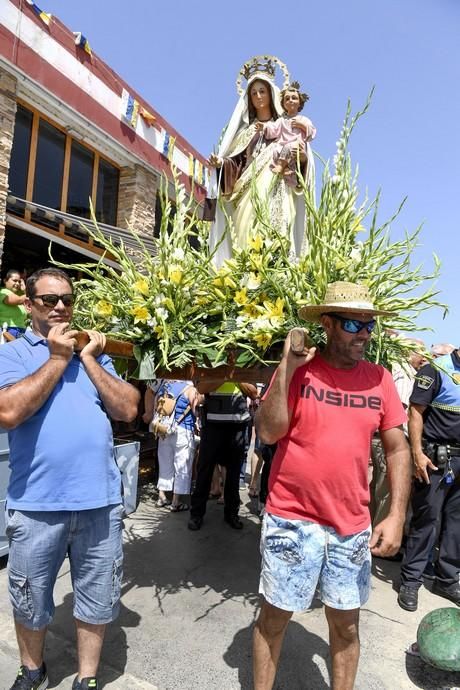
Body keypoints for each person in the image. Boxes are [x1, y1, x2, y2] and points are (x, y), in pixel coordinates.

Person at [252, 281, 411, 690]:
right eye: (353, 325)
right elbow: (269, 433)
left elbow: (397, 449)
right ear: (326, 323)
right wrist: (286, 365)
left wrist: (394, 516)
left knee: (346, 628)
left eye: (369, 326)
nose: (364, 335)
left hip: (351, 527)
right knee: (273, 620)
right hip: (291, 520)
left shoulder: (380, 380)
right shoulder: (298, 371)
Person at [0, 267, 140, 690]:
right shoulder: (13, 353)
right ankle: (31, 670)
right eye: (49, 299)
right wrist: (58, 358)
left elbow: (129, 408)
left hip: (99, 501)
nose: (60, 306)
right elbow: (8, 412)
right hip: (37, 505)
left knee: (97, 598)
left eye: (67, 299)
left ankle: (89, 677)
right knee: (30, 600)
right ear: (29, 305)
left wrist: (88, 360)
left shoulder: (93, 355)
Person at [207, 56, 315, 264]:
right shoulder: (245, 133)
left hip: (278, 187)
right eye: (254, 92)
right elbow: (237, 164)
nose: (258, 96)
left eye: (262, 91)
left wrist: (301, 157)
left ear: (271, 93)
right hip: (246, 191)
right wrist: (221, 164)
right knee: (247, 234)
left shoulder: (287, 127)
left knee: (277, 229)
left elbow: (303, 158)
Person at [398, 345, 460, 612]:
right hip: (436, 459)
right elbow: (415, 413)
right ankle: (410, 580)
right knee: (427, 519)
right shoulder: (436, 369)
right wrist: (417, 453)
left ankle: (447, 579)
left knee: (457, 524)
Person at [370, 338, 427, 526]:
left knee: (377, 488)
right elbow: (401, 409)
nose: (423, 357)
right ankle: (380, 537)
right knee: (387, 489)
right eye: (420, 352)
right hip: (392, 438)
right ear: (407, 352)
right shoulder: (403, 373)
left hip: (382, 438)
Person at [188, 380, 257, 530]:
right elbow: (202, 387)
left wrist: (235, 376)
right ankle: (196, 515)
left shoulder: (243, 366)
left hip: (237, 427)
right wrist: (224, 374)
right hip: (212, 426)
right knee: (204, 472)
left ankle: (232, 514)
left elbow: (253, 392)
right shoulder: (212, 365)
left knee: (233, 474)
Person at [256, 81, 316, 184]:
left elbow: (312, 132)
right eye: (287, 99)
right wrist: (264, 127)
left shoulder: (303, 119)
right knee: (274, 150)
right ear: (283, 104)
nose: (290, 101)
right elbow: (273, 129)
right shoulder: (282, 120)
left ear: (300, 102)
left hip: (296, 145)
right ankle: (286, 169)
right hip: (281, 145)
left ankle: (281, 166)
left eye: (294, 98)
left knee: (290, 147)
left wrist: (302, 125)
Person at [153, 379, 199, 511]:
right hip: (183, 431)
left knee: (165, 463)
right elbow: (196, 410)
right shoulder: (190, 389)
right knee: (182, 465)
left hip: (165, 429)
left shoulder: (165, 386)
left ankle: (162, 496)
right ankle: (176, 501)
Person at [0, 269, 27, 337]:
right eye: (14, 280)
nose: (17, 283)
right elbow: (18, 300)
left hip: (20, 330)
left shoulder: (18, 296)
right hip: (8, 331)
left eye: (19, 281)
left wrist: (25, 291)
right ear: (5, 281)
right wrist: (29, 292)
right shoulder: (3, 292)